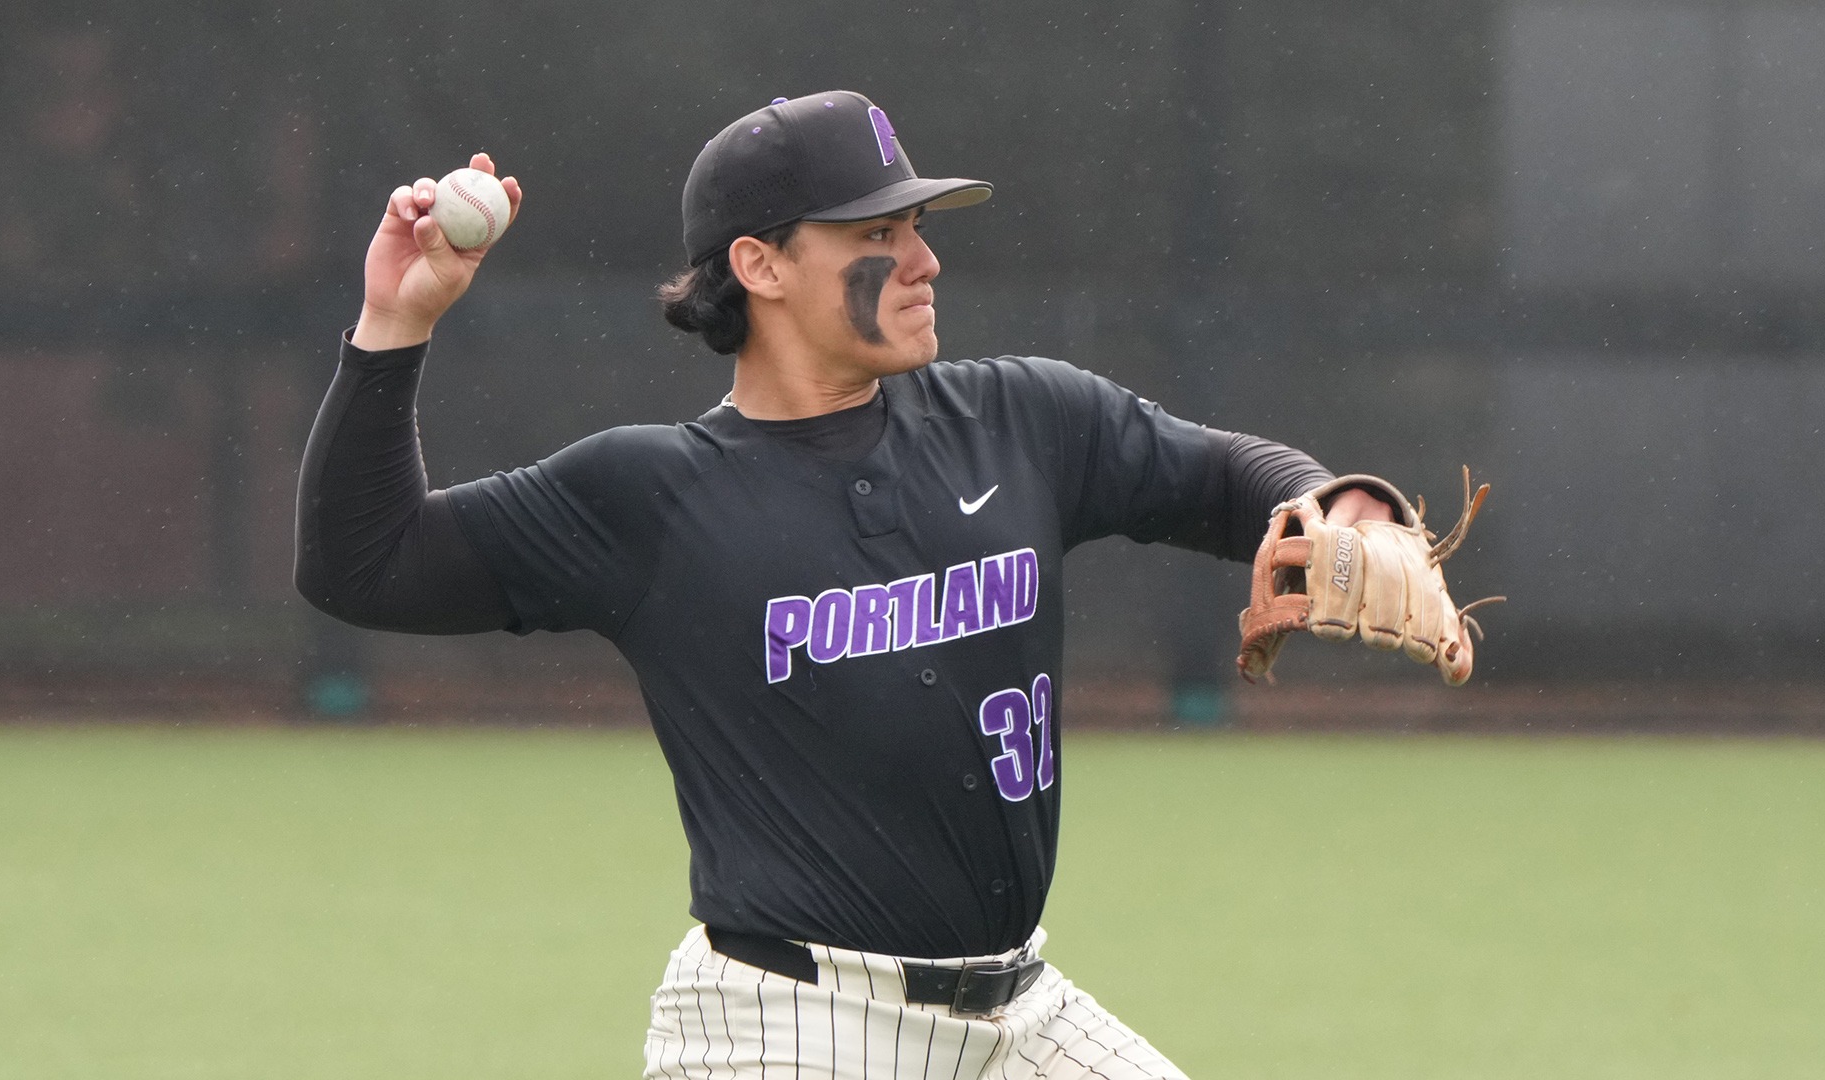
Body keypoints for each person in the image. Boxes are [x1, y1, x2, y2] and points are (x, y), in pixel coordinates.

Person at [297, 90, 1395, 1080]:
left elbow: (1223, 477)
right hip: (792, 1030)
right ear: (761, 266)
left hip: (1020, 1014)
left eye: (915, 226)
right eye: (878, 232)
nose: (922, 260)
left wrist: (1334, 507)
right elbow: (364, 566)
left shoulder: (1022, 420)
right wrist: (397, 323)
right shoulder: (651, 497)